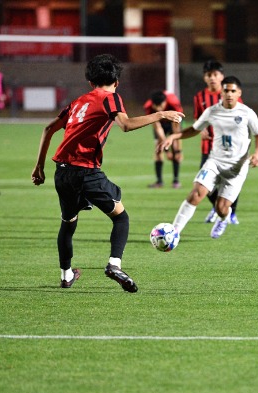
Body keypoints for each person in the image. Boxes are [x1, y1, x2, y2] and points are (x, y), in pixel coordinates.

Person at [31, 54, 184, 291]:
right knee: (121, 218)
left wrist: (39, 166)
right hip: (86, 171)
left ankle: (66, 275)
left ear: (90, 82)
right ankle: (114, 265)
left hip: (62, 172)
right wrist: (161, 114)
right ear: (117, 81)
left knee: (68, 223)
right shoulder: (111, 98)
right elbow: (125, 124)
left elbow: (48, 129)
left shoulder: (78, 101)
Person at [157, 76, 258, 240]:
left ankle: (224, 218)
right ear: (221, 92)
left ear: (239, 93)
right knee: (196, 193)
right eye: (226, 91)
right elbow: (194, 129)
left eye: (233, 91)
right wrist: (174, 136)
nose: (229, 94)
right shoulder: (212, 111)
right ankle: (174, 232)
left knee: (221, 208)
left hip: (237, 167)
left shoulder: (247, 113)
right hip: (215, 162)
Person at [193, 59, 242, 225]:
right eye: (209, 75)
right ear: (204, 77)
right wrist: (201, 129)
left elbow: (240, 117)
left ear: (222, 76)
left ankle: (232, 213)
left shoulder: (230, 94)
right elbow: (198, 119)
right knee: (204, 182)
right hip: (208, 148)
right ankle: (217, 207)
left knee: (230, 181)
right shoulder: (200, 97)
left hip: (229, 148)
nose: (212, 78)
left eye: (215, 74)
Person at [143, 90, 185, 188]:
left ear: (165, 102)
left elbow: (176, 129)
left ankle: (176, 181)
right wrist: (166, 150)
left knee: (175, 148)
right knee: (158, 149)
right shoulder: (148, 107)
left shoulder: (173, 103)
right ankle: (159, 181)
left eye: (160, 106)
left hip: (172, 123)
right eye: (156, 106)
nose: (158, 109)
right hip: (160, 123)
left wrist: (178, 150)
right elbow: (157, 128)